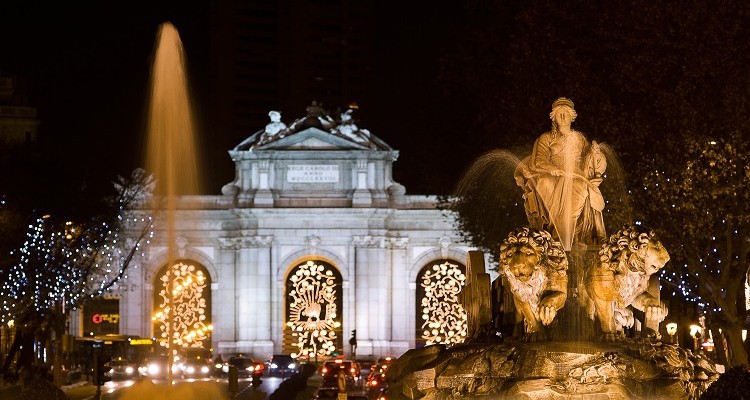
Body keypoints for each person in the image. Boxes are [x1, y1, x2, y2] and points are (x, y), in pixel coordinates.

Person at [514, 97, 606, 250]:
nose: (562, 117)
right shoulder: (546, 138)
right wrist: (552, 168)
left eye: (566, 113)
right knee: (545, 182)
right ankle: (555, 232)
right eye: (559, 114)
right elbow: (539, 161)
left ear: (572, 116)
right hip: (552, 173)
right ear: (554, 117)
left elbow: (591, 161)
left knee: (578, 186)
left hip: (576, 175)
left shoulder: (580, 138)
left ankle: (566, 236)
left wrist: (597, 156)